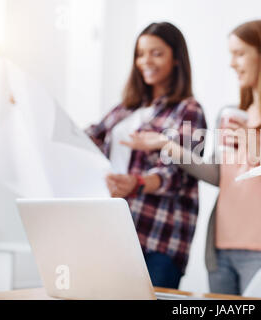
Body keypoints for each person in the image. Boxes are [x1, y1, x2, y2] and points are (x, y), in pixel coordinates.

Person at [123, 20, 261, 295]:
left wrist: (258, 152)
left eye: (240, 53)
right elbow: (219, 175)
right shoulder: (231, 112)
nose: (232, 63)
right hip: (220, 252)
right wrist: (167, 144)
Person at [85, 22, 207, 289]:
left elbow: (177, 174)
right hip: (114, 231)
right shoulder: (126, 109)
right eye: (141, 54)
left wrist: (137, 183)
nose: (146, 61)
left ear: (176, 59)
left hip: (158, 240)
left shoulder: (188, 110)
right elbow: (88, 139)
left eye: (156, 53)